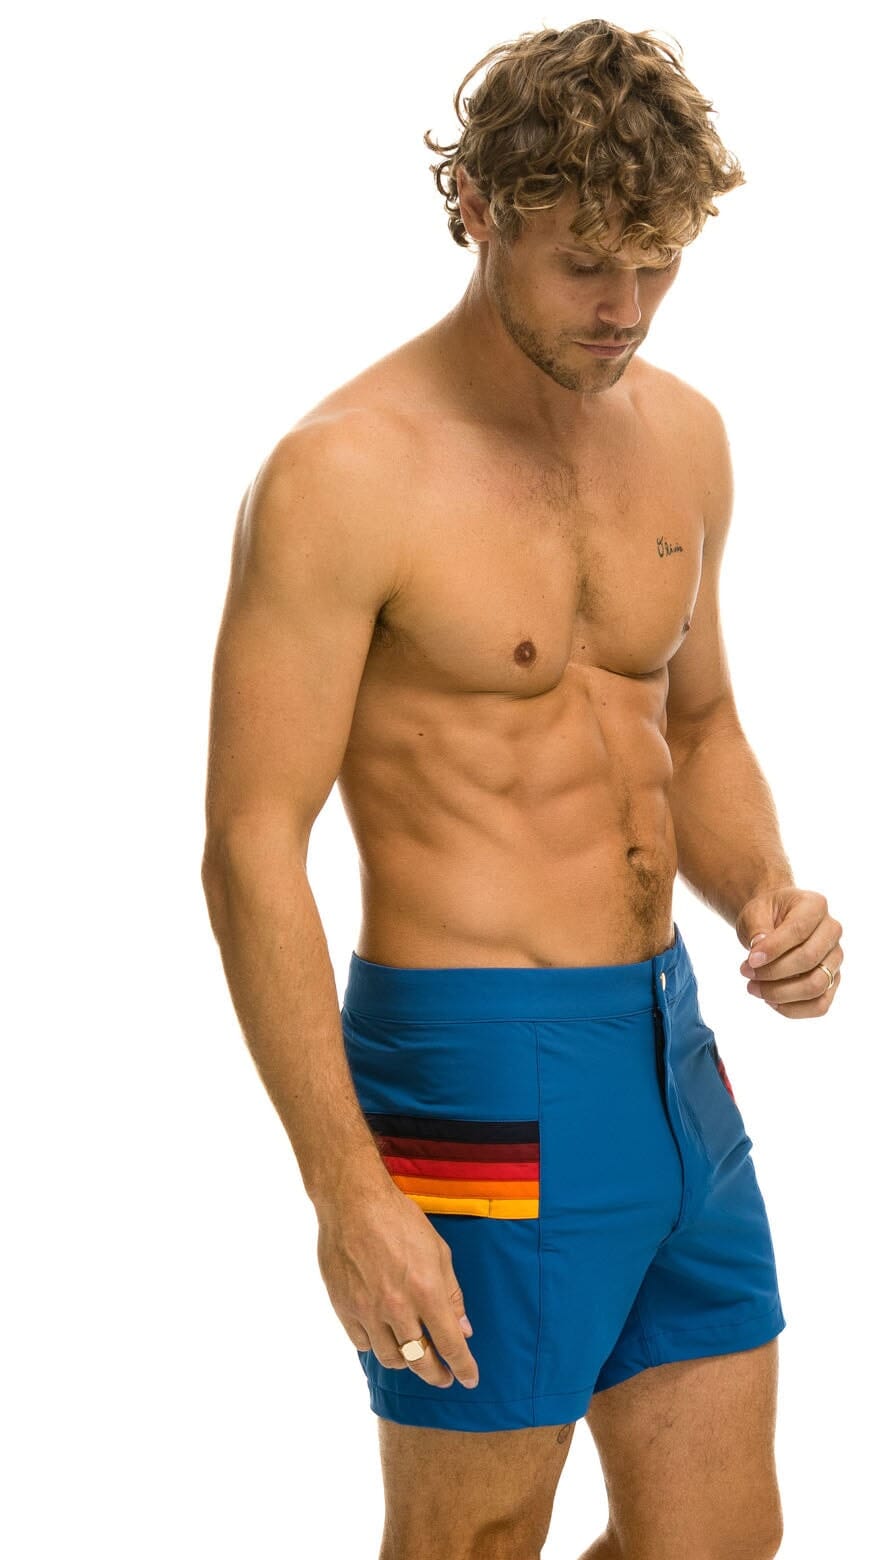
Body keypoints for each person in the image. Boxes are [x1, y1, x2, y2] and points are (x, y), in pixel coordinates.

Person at [202, 18, 843, 1560]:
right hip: (474, 1071)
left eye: (659, 263)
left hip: (669, 1049)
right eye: (586, 265)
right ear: (479, 207)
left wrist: (767, 894)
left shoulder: (682, 436)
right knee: (474, 1541)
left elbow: (699, 724)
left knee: (720, 1540)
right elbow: (250, 844)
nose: (626, 308)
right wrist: (346, 1190)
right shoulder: (348, 472)